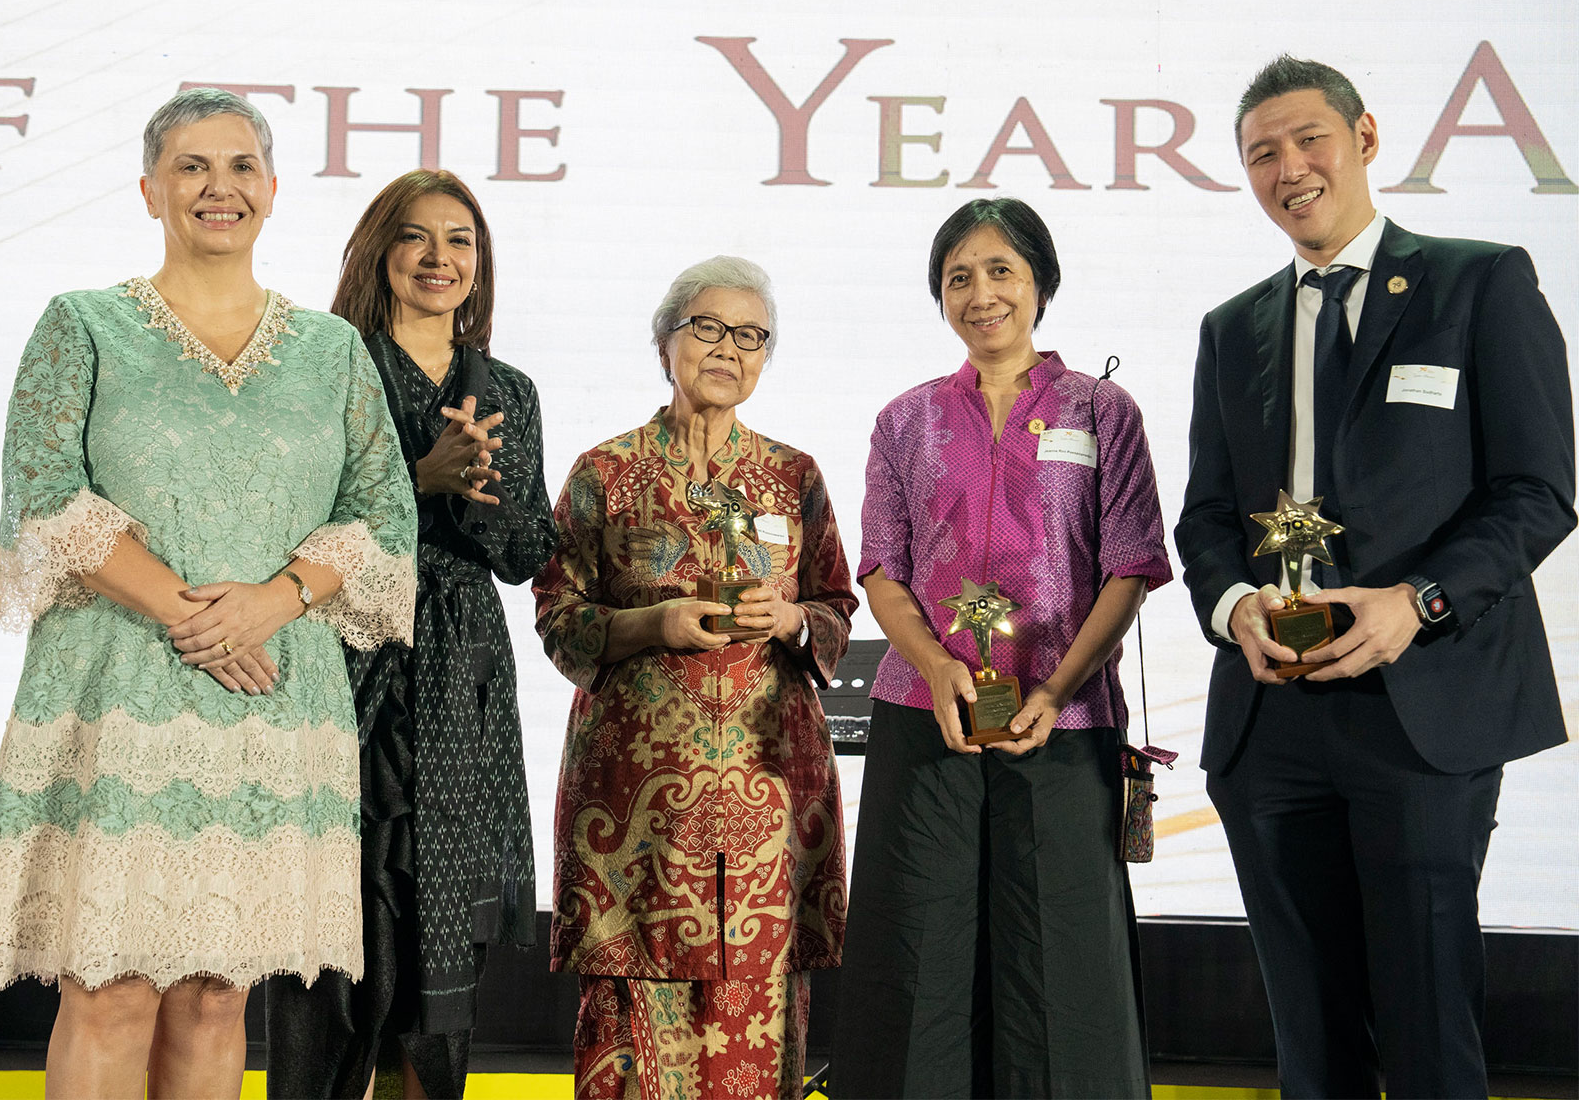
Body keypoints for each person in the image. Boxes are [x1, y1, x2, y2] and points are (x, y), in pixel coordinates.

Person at [0, 87, 417, 1097]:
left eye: (241, 166)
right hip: (118, 689)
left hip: (271, 698)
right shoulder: (82, 326)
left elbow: (385, 520)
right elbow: (44, 497)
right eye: (192, 167)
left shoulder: (332, 352)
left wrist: (276, 599)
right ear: (150, 189)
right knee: (110, 989)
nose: (220, 188)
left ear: (272, 189)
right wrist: (191, 610)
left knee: (218, 996)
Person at [1173, 55, 1574, 1098]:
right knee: (1311, 1038)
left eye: (1309, 139)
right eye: (1262, 153)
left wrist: (1418, 602)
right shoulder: (1231, 330)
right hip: (1272, 718)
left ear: (1366, 137)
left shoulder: (1478, 281)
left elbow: (1540, 490)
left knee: (1432, 1019)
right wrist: (1234, 605)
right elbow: (1208, 516)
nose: (1289, 167)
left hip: (1423, 703)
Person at [831, 197, 1172, 1099]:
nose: (980, 294)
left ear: (1041, 284)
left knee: (1060, 963)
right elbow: (883, 571)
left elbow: (1130, 567)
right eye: (958, 278)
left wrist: (1058, 690)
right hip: (925, 713)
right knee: (918, 958)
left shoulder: (1102, 411)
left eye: (1001, 271)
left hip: (1064, 718)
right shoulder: (904, 420)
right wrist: (939, 664)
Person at [532, 256, 857, 1100]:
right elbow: (558, 617)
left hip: (767, 791)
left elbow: (836, 608)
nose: (729, 350)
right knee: (635, 1013)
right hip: (638, 807)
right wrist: (651, 624)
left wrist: (792, 620)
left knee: (762, 1004)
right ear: (665, 343)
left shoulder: (795, 475)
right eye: (708, 328)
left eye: (751, 337)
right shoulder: (605, 473)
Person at [266, 169, 556, 1099]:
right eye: (417, 237)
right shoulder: (322, 364)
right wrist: (417, 481)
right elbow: (286, 520)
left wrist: (489, 494)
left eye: (460, 240)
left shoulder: (508, 387)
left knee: (441, 945)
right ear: (379, 252)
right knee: (336, 937)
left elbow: (526, 553)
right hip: (345, 663)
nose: (440, 258)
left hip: (460, 673)